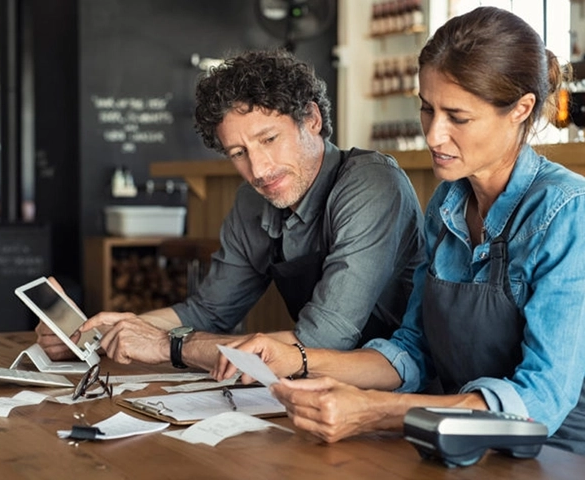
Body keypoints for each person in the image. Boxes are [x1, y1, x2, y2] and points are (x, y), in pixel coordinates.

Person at [214, 7, 585, 455]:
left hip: (556, 455)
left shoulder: (568, 213)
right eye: (427, 109)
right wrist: (297, 360)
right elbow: (412, 350)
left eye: (457, 117)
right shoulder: (446, 207)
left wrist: (376, 411)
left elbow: (539, 403)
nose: (433, 135)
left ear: (521, 109)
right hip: (454, 443)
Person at [37, 48, 425, 371]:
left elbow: (323, 340)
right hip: (318, 389)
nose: (258, 170)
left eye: (269, 139)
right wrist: (100, 331)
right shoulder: (252, 201)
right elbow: (208, 311)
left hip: (402, 389)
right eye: (238, 153)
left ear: (312, 119)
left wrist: (168, 346)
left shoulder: (371, 184)